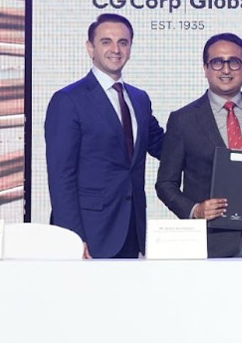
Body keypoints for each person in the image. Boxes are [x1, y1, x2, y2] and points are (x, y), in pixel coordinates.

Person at [45, 13, 164, 258]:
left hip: (131, 229)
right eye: (106, 42)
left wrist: (212, 145)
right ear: (91, 48)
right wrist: (72, 237)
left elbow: (164, 146)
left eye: (123, 42)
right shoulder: (68, 100)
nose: (116, 49)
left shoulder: (139, 99)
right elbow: (61, 176)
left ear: (130, 48)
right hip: (89, 233)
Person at [155, 33, 242, 257]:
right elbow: (165, 184)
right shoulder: (183, 120)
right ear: (205, 68)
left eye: (234, 62)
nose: (226, 69)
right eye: (217, 62)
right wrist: (195, 210)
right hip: (207, 243)